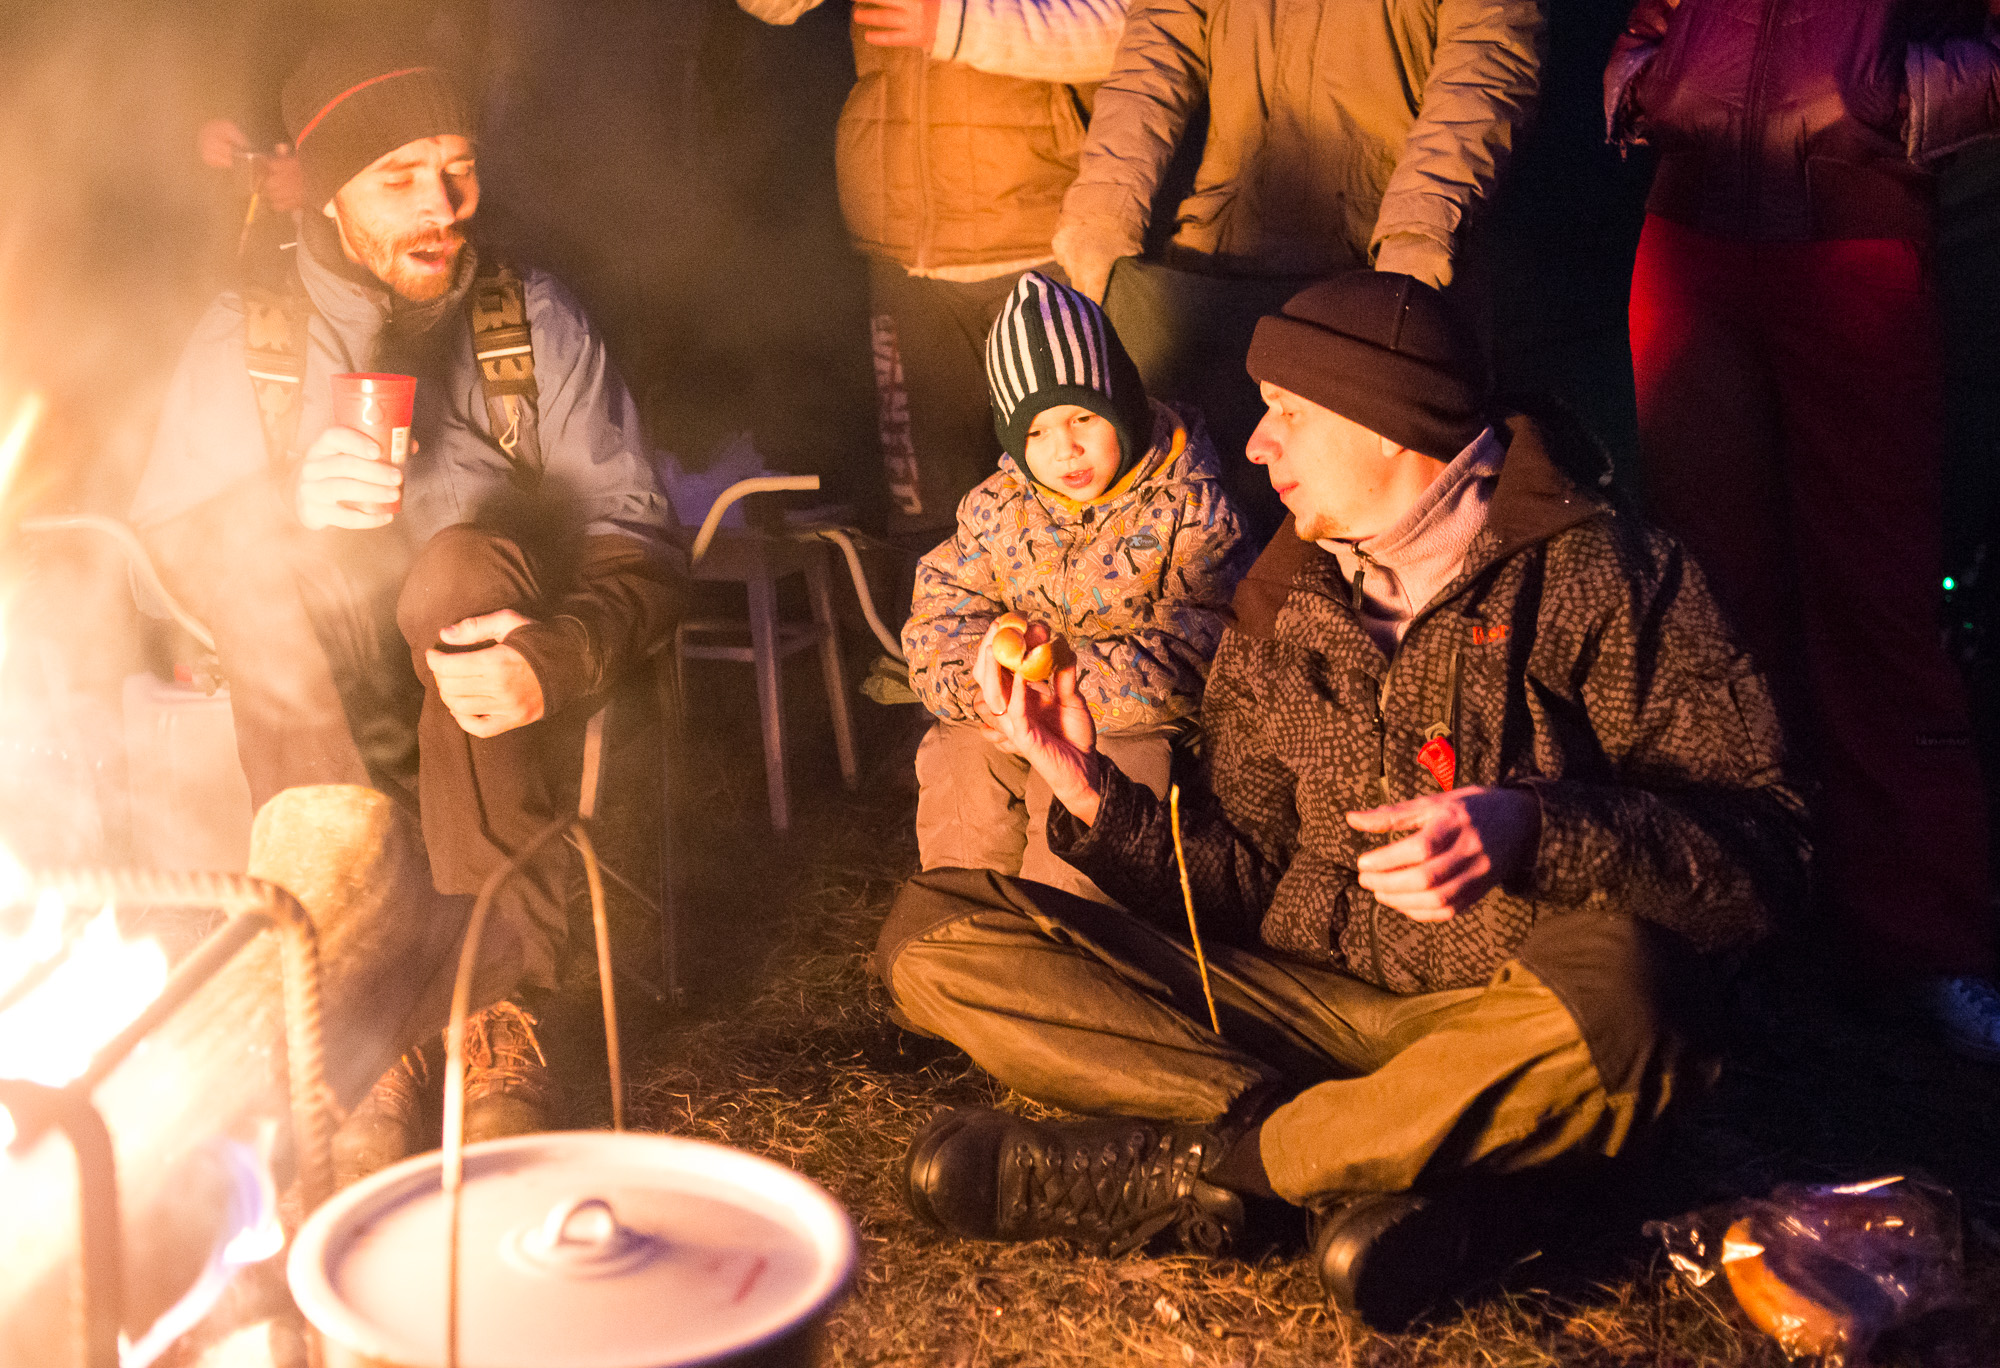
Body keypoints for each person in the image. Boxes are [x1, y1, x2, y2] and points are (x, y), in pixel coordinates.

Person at [876, 273, 1808, 1327]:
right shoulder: (1285, 599)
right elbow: (1238, 882)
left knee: (1634, 999)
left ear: (1382, 422)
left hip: (1497, 1018)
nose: (1257, 443)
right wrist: (1082, 785)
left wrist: (1537, 830)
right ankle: (1394, 1159)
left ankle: (1222, 1173)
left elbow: (1768, 856)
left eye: (1287, 412)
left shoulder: (1607, 576)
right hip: (1306, 1008)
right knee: (937, 928)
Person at [133, 34, 682, 1179]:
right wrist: (280, 499)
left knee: (461, 571)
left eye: (457, 168)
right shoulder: (254, 339)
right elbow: (163, 561)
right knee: (259, 575)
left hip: (492, 682)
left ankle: (497, 1010)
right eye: (397, 178)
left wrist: (557, 657)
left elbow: (639, 541)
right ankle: (362, 1017)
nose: (442, 206)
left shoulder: (529, 322)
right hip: (322, 701)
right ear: (327, 193)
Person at [1607, 0, 2000, 1062]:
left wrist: (1892, 103)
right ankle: (1737, 924)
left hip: (1856, 235)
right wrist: (1646, 85)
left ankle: (1919, 941)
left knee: (1872, 595)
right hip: (1690, 236)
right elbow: (1649, 24)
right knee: (1708, 606)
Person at [1050, 0, 1547, 537]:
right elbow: (1157, 44)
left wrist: (1415, 244)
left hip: (1370, 271)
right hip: (1219, 259)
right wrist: (1099, 217)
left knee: (1362, 526)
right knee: (1195, 532)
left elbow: (1484, 62)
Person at [730, 0, 1128, 581]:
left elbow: (1130, 30)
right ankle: (938, 641)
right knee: (929, 523)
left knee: (1075, 502)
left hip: (1041, 241)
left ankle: (1083, 639)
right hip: (905, 248)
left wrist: (956, 21)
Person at [902, 272, 1253, 903]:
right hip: (1009, 717)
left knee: (1111, 778)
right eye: (1035, 433)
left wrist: (1067, 696)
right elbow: (939, 616)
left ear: (1123, 406)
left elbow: (1205, 640)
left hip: (1127, 723)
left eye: (1083, 418)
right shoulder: (994, 509)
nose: (1064, 450)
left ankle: (1068, 939)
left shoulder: (1190, 508)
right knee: (956, 755)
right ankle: (965, 925)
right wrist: (987, 697)